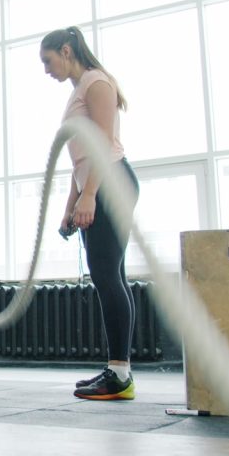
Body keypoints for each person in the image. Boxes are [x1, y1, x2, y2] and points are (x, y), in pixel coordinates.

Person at [40, 26, 140, 401]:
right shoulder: (80, 90)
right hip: (97, 183)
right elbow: (80, 157)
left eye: (48, 61)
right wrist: (72, 204)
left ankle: (119, 374)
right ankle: (118, 370)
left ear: (66, 50)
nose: (46, 70)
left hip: (112, 182)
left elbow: (102, 143)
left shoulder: (97, 83)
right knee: (111, 276)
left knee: (106, 275)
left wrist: (92, 195)